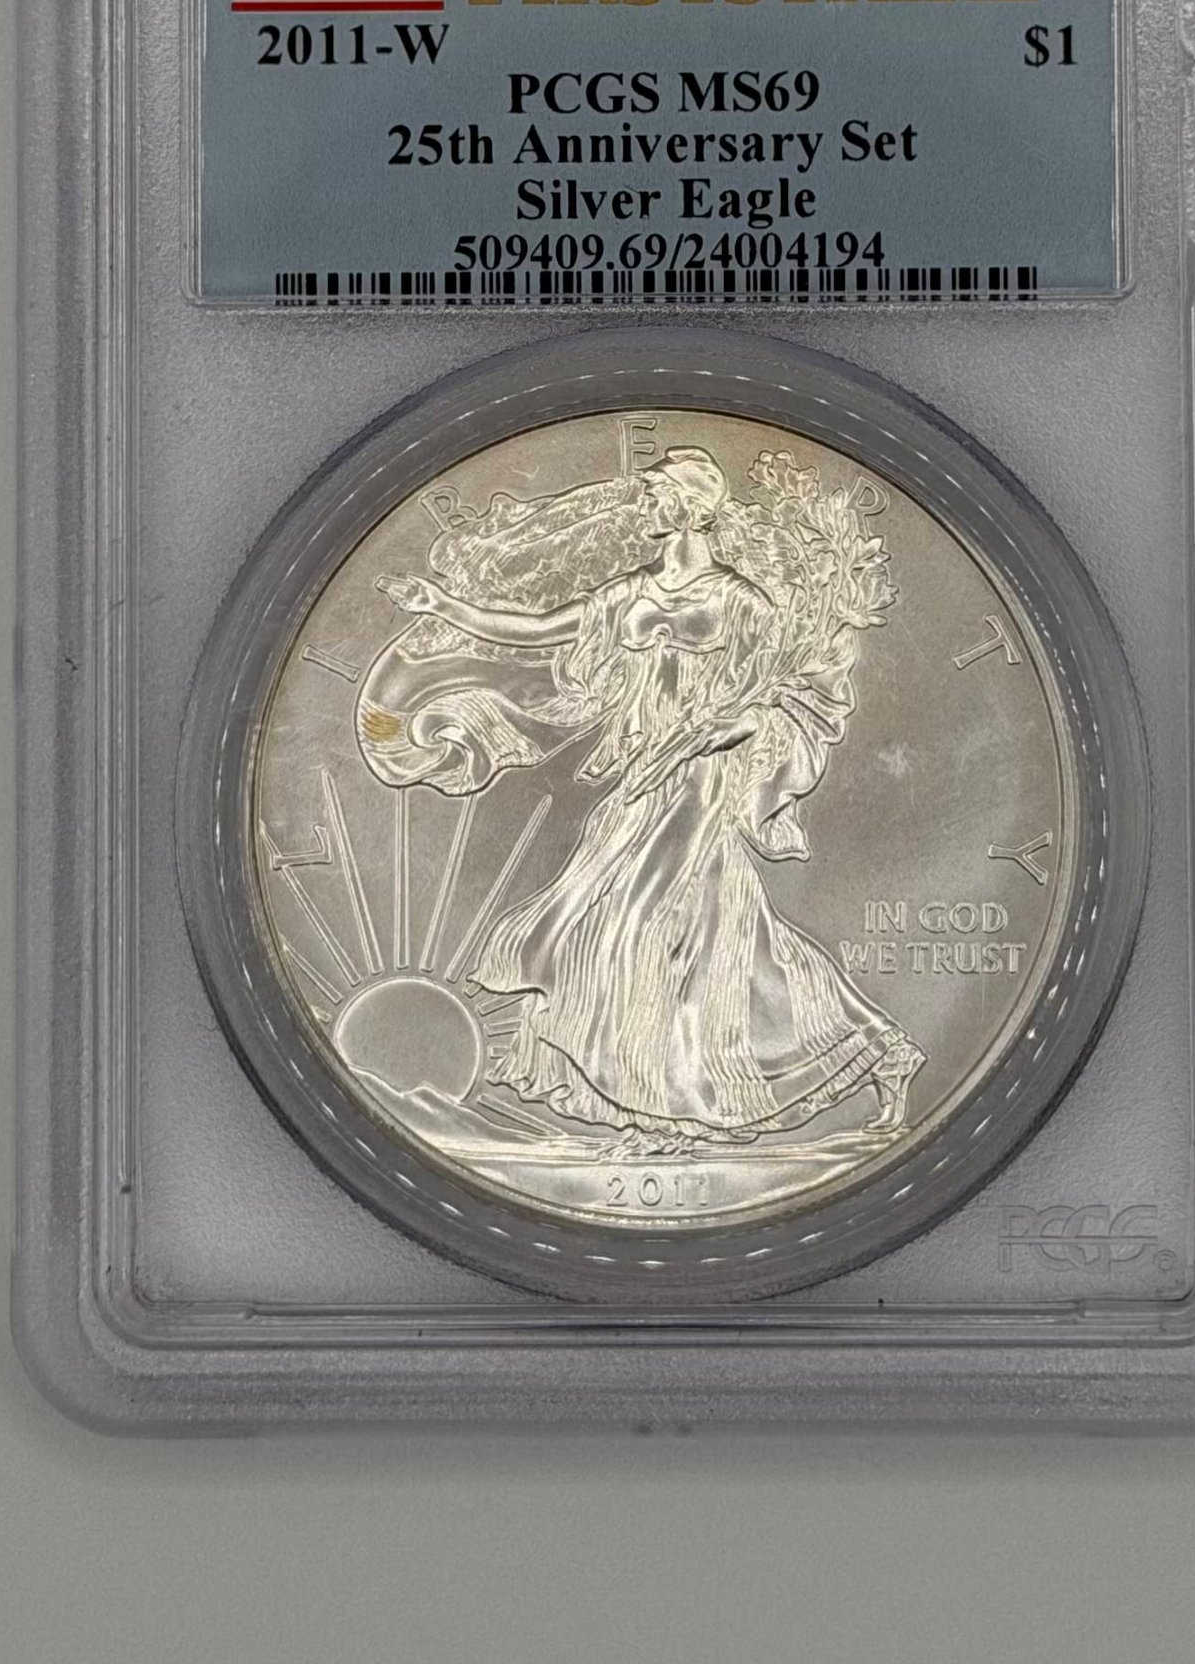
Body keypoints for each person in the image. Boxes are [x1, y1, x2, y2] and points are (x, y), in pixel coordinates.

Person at [369, 446, 923, 1153]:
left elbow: (786, 695)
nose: (646, 506)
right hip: (642, 775)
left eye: (658, 494)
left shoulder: (742, 602)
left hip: (701, 778)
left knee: (642, 923)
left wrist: (733, 726)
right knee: (695, 935)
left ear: (691, 508)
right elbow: (536, 631)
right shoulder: (629, 592)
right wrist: (443, 605)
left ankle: (666, 1115)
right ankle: (876, 1050)